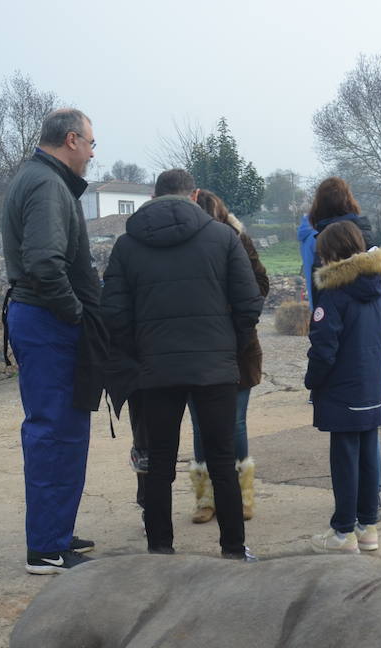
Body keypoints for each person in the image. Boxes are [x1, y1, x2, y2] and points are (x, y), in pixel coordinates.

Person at [100, 168, 263, 561]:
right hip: (215, 368)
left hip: (155, 370)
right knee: (222, 460)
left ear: (153, 198)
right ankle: (233, 550)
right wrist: (229, 347)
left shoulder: (127, 245)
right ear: (194, 197)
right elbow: (249, 304)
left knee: (158, 463)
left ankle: (160, 550)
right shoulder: (224, 237)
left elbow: (114, 313)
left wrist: (140, 354)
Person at [1, 108, 102, 575]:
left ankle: (56, 531)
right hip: (47, 322)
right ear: (71, 140)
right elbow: (43, 262)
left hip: (45, 319)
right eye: (91, 143)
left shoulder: (44, 180)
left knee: (67, 429)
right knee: (52, 433)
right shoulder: (45, 184)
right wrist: (76, 314)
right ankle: (45, 548)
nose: (93, 153)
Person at [303, 222, 381, 554]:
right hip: (371, 387)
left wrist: (312, 379)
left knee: (345, 459)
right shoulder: (376, 287)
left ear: (331, 254)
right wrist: (369, 364)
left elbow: (323, 346)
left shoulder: (334, 293)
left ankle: (343, 532)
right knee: (368, 454)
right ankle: (367, 526)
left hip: (342, 389)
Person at [186, 189, 269, 525]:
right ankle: (206, 499)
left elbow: (260, 284)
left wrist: (233, 313)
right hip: (195, 348)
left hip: (238, 348)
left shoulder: (238, 240)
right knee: (200, 425)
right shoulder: (186, 247)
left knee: (234, 422)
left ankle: (240, 496)